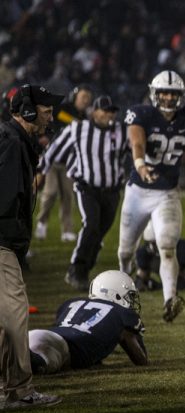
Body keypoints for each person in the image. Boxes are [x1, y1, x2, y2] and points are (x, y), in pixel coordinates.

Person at [118, 70, 185, 322]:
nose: (167, 97)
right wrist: (141, 165)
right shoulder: (141, 113)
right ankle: (124, 286)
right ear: (154, 93)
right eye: (164, 92)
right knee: (124, 251)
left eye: (173, 93)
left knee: (167, 246)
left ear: (180, 96)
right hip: (138, 191)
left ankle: (169, 299)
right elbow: (137, 143)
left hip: (167, 192)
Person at [0, 83, 64, 410]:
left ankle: (10, 389)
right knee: (14, 315)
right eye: (45, 107)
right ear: (26, 110)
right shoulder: (11, 144)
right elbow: (7, 201)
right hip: (1, 245)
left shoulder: (15, 141)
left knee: (6, 318)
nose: (51, 113)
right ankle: (18, 391)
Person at [38, 95, 130, 291]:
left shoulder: (122, 131)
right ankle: (76, 269)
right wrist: (40, 172)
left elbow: (137, 148)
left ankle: (85, 268)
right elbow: (54, 150)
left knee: (99, 233)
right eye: (105, 111)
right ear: (94, 112)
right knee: (91, 226)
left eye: (112, 111)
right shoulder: (78, 128)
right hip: (86, 186)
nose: (109, 115)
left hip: (112, 191)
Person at [28, 270, 147, 374]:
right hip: (58, 346)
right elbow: (141, 360)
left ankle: (16, 348)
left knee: (22, 360)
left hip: (41, 335)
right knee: (40, 365)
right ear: (114, 294)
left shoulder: (72, 302)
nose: (131, 301)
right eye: (129, 296)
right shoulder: (122, 313)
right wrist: (132, 332)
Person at [34, 84, 93, 242]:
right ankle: (41, 222)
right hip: (52, 158)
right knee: (50, 193)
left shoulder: (85, 118)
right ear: (75, 97)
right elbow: (51, 121)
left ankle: (67, 230)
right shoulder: (62, 108)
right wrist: (44, 136)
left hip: (69, 162)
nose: (86, 100)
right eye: (83, 97)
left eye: (88, 98)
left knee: (68, 196)